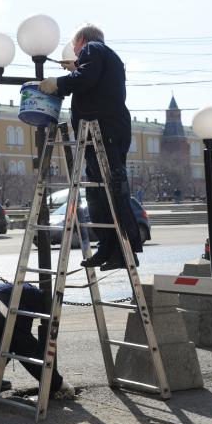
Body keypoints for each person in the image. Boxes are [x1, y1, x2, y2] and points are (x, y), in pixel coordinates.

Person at [39, 23, 142, 271]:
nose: (74, 52)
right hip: (106, 130)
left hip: (103, 130)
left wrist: (60, 83)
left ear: (82, 39)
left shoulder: (93, 48)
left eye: (75, 47)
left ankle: (122, 249)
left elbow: (88, 78)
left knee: (110, 190)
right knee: (99, 193)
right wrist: (76, 70)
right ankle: (107, 247)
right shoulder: (105, 55)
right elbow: (93, 79)